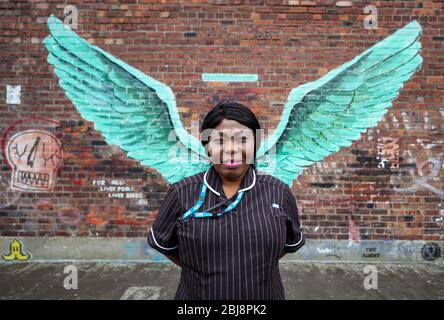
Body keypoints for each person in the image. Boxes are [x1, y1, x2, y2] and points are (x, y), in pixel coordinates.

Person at [147, 101, 305, 300]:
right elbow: (164, 244)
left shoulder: (278, 193)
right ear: (207, 148)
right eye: (219, 141)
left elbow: (288, 244)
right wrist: (203, 270)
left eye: (242, 139)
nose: (231, 149)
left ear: (256, 144)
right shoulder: (182, 193)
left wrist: (251, 270)